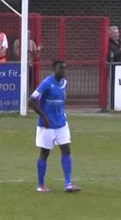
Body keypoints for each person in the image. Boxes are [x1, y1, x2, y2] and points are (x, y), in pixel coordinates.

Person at [29, 60, 81, 193]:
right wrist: (44, 117)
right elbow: (32, 102)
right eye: (60, 69)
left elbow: (62, 100)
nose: (63, 71)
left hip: (61, 123)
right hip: (46, 125)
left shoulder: (64, 83)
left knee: (66, 150)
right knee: (44, 154)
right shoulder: (46, 83)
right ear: (54, 69)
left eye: (64, 69)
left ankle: (68, 183)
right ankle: (41, 185)